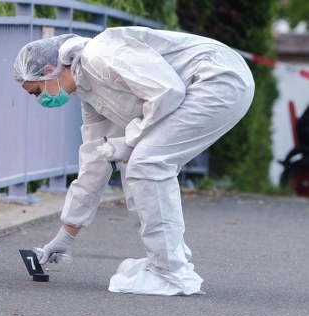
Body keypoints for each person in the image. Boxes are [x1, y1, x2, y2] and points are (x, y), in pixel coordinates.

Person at [13, 26, 255, 295]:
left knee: (146, 163)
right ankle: (167, 261)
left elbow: (168, 91)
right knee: (138, 165)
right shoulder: (88, 94)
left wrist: (127, 141)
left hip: (218, 79)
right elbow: (94, 162)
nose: (40, 100)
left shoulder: (100, 55)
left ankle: (170, 272)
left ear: (49, 70)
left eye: (36, 91)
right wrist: (65, 236)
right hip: (212, 82)